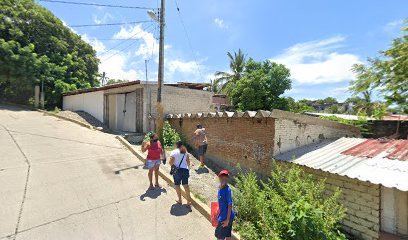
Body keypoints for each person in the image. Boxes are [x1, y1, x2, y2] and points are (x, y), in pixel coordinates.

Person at [169, 140, 192, 207]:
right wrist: (187, 167)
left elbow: (170, 162)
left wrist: (174, 167)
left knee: (177, 185)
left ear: (176, 145)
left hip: (177, 171)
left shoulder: (173, 152)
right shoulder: (185, 151)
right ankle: (188, 201)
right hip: (185, 170)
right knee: (186, 185)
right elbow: (188, 162)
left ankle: (180, 200)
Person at [215, 170, 235, 240]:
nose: (223, 179)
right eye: (222, 177)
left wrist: (227, 220)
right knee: (227, 234)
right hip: (224, 215)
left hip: (226, 217)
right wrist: (218, 211)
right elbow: (220, 201)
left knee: (219, 236)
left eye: (225, 177)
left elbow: (230, 205)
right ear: (219, 178)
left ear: (227, 179)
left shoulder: (227, 190)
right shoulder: (220, 188)